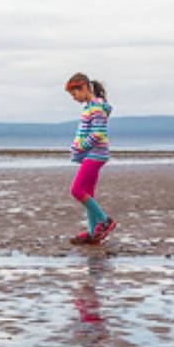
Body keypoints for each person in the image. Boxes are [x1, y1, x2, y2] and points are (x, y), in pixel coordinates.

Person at [65, 73, 117, 245]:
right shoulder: (89, 107)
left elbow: (98, 133)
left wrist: (81, 146)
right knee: (88, 194)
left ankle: (104, 220)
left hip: (96, 155)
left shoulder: (96, 107)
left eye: (75, 94)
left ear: (85, 88)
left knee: (77, 190)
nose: (74, 98)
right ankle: (93, 233)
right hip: (91, 155)